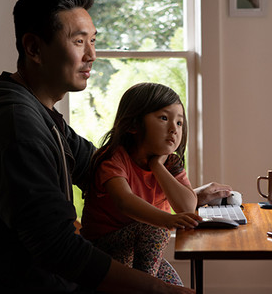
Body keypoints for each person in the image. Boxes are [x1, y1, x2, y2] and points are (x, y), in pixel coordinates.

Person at [0, 0, 196, 293]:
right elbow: (59, 249)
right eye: (79, 41)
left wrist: (165, 172)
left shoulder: (39, 112)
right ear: (34, 48)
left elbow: (98, 168)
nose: (91, 55)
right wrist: (158, 290)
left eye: (92, 41)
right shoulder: (16, 126)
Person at [81, 83, 200, 286]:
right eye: (164, 118)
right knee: (155, 229)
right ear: (133, 125)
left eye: (179, 123)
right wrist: (167, 221)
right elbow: (124, 201)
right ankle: (145, 288)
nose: (174, 129)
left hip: (139, 246)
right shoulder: (113, 157)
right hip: (104, 248)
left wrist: (157, 166)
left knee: (176, 289)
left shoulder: (169, 163)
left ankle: (146, 285)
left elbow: (188, 206)